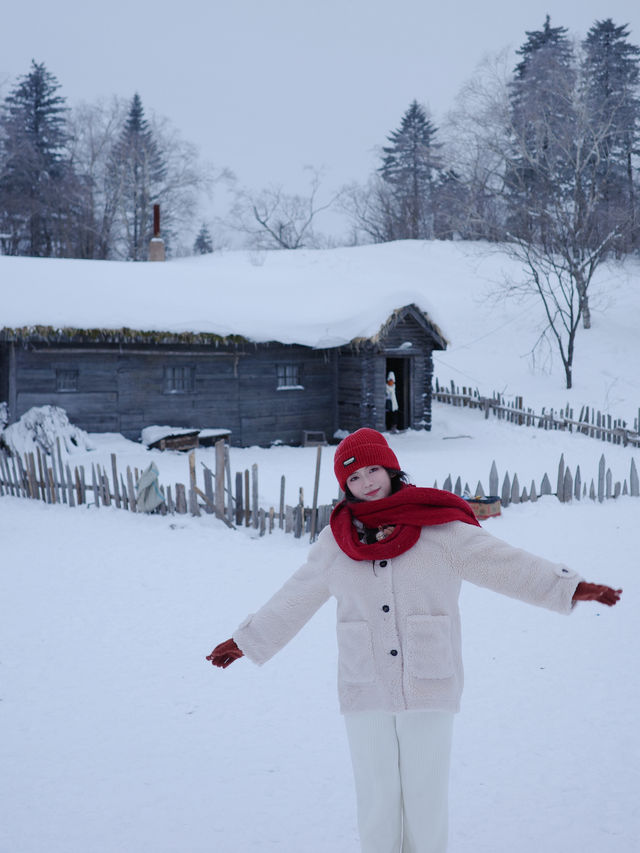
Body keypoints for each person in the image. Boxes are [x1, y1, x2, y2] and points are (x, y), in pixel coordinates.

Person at [207, 428, 621, 853]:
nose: (366, 483)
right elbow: (297, 594)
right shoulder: (337, 541)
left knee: (426, 796)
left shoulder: (440, 529)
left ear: (390, 468)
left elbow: (503, 563)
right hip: (363, 683)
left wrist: (566, 587)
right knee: (376, 796)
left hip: (430, 680)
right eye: (354, 479)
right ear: (344, 486)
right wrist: (248, 641)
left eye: (373, 471)